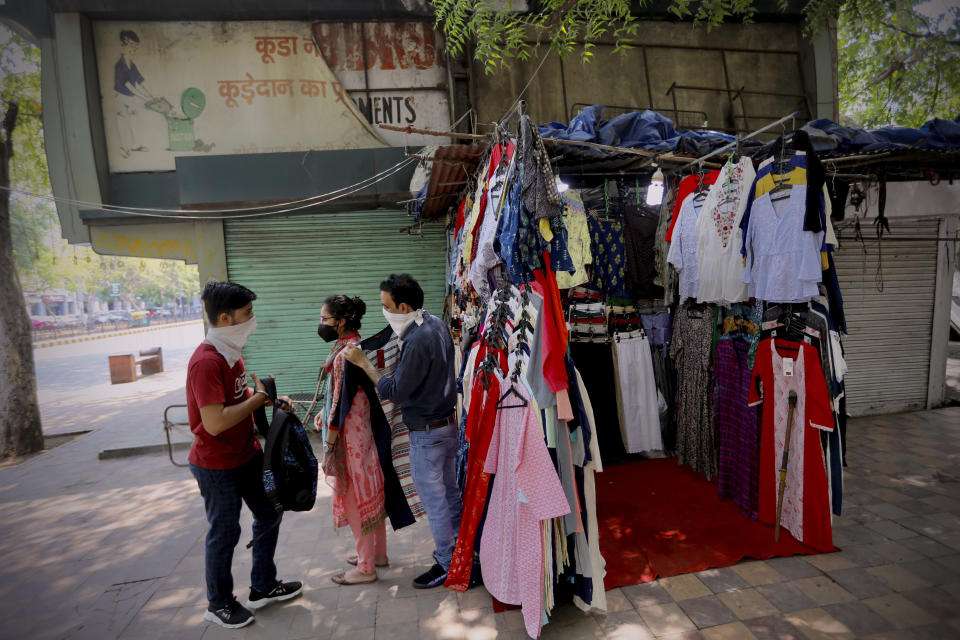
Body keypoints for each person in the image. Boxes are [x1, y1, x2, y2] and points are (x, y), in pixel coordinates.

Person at [186, 281, 302, 629]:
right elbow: (215, 421)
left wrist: (267, 398)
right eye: (247, 314)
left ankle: (263, 586)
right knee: (224, 532)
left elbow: (239, 394)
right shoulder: (206, 362)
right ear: (225, 318)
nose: (253, 320)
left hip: (245, 454)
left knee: (270, 513)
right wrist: (257, 399)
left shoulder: (229, 351)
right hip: (216, 464)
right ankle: (218, 602)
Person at [344, 274, 462, 589]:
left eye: (386, 306)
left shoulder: (417, 338)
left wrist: (363, 362)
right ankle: (464, 554)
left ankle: (448, 563)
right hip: (447, 426)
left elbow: (394, 391)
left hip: (427, 434)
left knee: (436, 502)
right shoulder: (434, 323)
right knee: (450, 494)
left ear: (404, 305)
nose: (383, 311)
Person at [314, 294, 390, 585]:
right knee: (370, 493)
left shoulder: (345, 353)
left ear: (341, 321)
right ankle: (378, 554)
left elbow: (339, 404)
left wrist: (330, 444)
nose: (321, 323)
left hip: (350, 439)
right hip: (364, 433)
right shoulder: (357, 345)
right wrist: (324, 414)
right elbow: (340, 398)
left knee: (354, 499)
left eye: (325, 318)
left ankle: (366, 566)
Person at [113, 29, 154, 158]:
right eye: (131, 45)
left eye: (135, 46)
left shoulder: (132, 64)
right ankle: (124, 148)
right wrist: (143, 97)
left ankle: (135, 145)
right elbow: (128, 85)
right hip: (121, 96)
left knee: (134, 118)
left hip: (130, 97)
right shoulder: (119, 65)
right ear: (123, 45)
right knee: (123, 121)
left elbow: (139, 81)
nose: (133, 49)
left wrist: (150, 96)